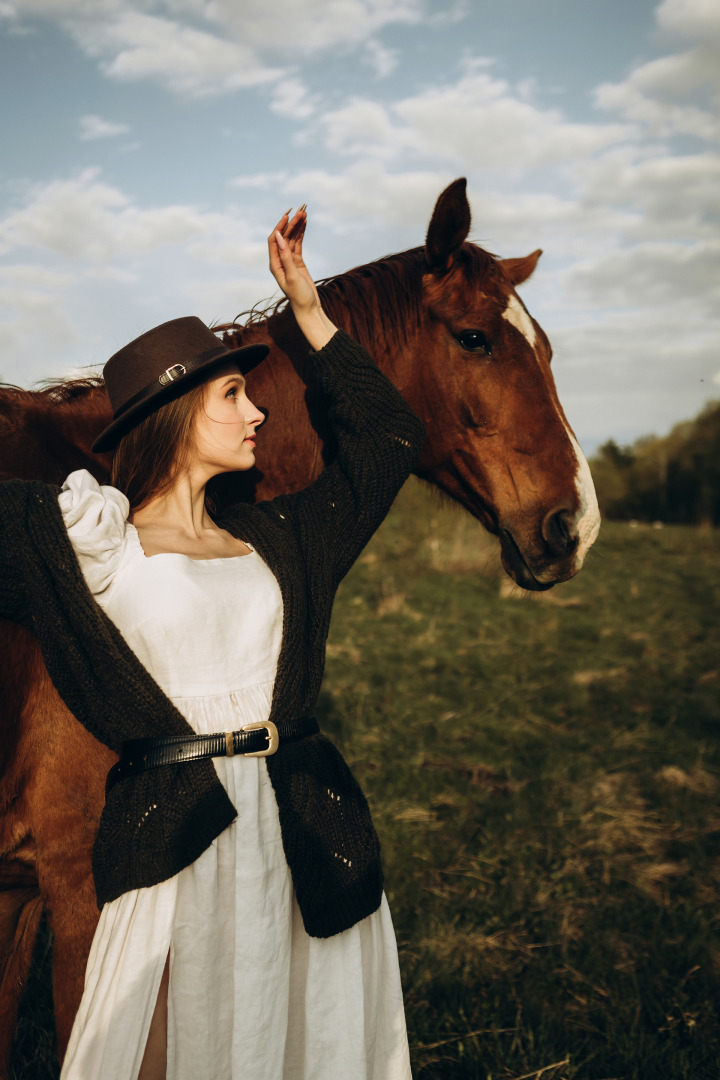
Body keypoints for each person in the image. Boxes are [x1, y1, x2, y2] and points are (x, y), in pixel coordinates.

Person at [0, 208, 425, 1079]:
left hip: (300, 840)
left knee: (299, 1049)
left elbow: (388, 440)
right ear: (173, 414)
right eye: (233, 394)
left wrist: (311, 312)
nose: (258, 410)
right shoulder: (89, 546)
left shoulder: (287, 539)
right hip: (171, 847)